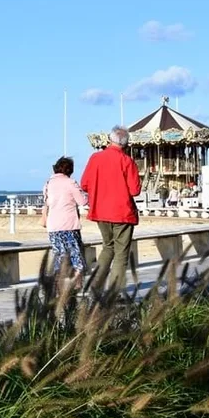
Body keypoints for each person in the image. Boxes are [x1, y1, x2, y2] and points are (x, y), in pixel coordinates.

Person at [80, 126, 142, 294]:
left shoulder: (95, 158)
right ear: (126, 144)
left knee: (108, 247)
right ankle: (114, 292)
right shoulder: (127, 161)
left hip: (100, 211)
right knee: (121, 253)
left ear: (109, 140)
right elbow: (135, 190)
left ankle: (95, 286)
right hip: (122, 213)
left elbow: (84, 184)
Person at [39, 156, 88, 284]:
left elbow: (47, 202)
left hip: (53, 226)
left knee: (59, 257)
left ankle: (58, 285)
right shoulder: (70, 182)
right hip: (69, 225)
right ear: (69, 170)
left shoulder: (48, 183)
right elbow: (82, 201)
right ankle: (77, 286)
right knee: (76, 257)